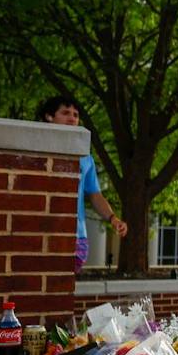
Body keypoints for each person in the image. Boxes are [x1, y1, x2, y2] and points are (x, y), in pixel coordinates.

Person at [38, 95, 129, 271]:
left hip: (77, 237)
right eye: (65, 113)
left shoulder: (86, 158)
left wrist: (113, 218)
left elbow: (95, 194)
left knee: (65, 290)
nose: (72, 118)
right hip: (43, 231)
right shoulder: (36, 151)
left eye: (76, 114)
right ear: (49, 117)